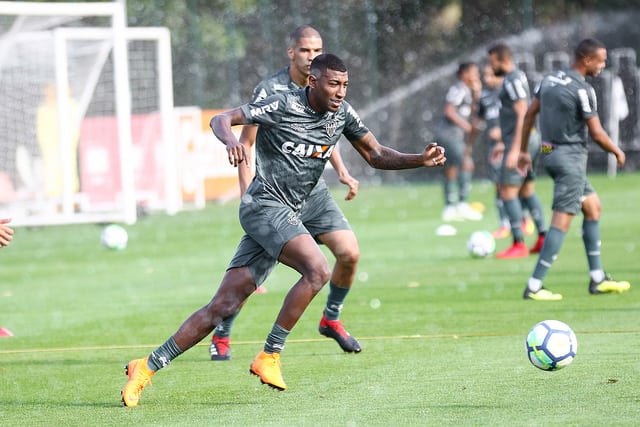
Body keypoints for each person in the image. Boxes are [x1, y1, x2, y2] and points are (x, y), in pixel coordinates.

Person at [120, 53, 446, 406]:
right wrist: (231, 141)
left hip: (290, 212)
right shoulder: (282, 104)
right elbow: (221, 118)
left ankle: (146, 366)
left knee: (223, 305)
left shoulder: (342, 115)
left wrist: (420, 159)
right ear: (313, 81)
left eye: (345, 85)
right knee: (318, 269)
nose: (340, 92)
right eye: (333, 84)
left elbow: (377, 154)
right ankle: (270, 355)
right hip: (263, 205)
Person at [209, 25, 363, 361]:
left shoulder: (328, 86)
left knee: (349, 253)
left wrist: (342, 171)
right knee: (253, 273)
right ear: (291, 52)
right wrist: (247, 194)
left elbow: (327, 130)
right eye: (305, 50)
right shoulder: (270, 90)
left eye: (316, 50)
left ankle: (331, 319)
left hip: (313, 192)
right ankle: (222, 333)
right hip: (275, 192)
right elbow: (247, 142)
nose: (312, 57)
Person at [519, 38, 631, 300]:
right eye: (601, 60)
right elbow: (597, 133)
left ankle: (597, 279)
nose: (603, 65)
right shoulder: (582, 90)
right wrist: (616, 151)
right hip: (569, 159)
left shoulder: (549, 80)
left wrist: (525, 151)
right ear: (586, 59)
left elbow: (529, 115)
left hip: (549, 153)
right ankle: (534, 286)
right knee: (562, 221)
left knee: (593, 207)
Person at [487, 43, 547, 259]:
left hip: (522, 142)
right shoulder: (517, 77)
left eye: (491, 61)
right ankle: (542, 237)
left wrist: (514, 150)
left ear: (501, 59)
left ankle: (518, 243)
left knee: (506, 191)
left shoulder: (511, 80)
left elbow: (523, 112)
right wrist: (505, 143)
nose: (490, 66)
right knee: (526, 190)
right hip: (528, 139)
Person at [434, 62, 483, 222]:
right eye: (473, 72)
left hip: (451, 135)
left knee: (451, 168)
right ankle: (461, 204)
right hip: (449, 135)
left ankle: (449, 208)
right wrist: (466, 126)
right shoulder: (459, 89)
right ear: (463, 74)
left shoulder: (467, 91)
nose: (476, 76)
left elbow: (475, 110)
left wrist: (477, 94)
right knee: (466, 163)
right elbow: (449, 111)